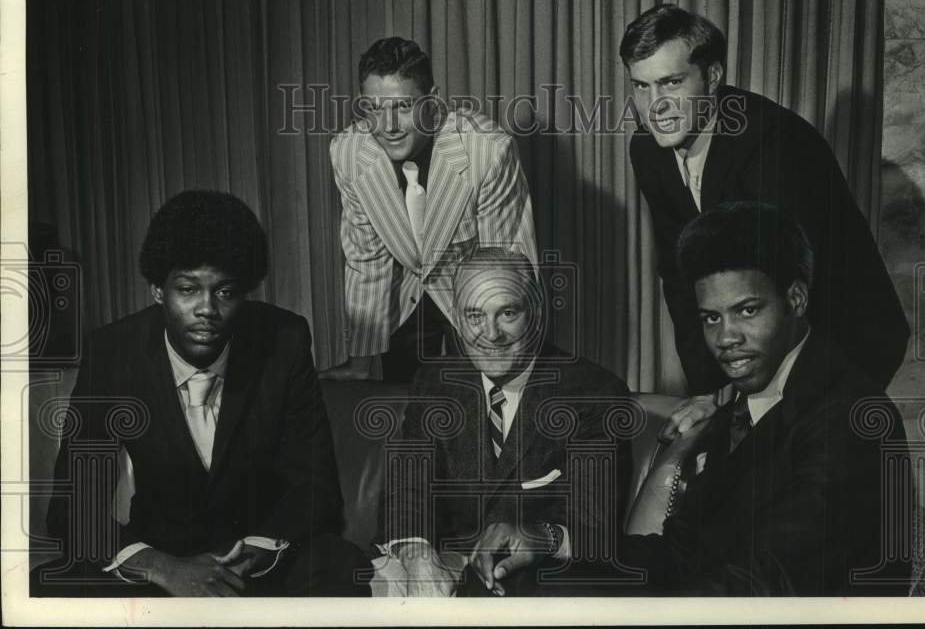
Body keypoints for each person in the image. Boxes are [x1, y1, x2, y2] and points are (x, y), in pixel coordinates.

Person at [34, 190, 369, 597]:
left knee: (341, 566)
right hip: (162, 558)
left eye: (224, 292)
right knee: (46, 586)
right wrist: (163, 568)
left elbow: (316, 488)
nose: (207, 308)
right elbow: (73, 509)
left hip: (259, 559)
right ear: (159, 290)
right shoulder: (114, 353)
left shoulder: (283, 339)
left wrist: (259, 549)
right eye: (188, 289)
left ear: (243, 292)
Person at [620, 3, 910, 435]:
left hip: (845, 337)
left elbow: (800, 288)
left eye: (671, 83)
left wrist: (765, 401)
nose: (654, 106)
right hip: (766, 340)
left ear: (713, 77)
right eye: (641, 87)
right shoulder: (648, 150)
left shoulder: (776, 144)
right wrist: (706, 389)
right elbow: (681, 276)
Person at [623, 201, 912, 596]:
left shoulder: (851, 415)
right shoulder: (744, 402)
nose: (726, 338)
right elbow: (679, 553)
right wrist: (557, 546)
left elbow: (767, 579)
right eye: (712, 318)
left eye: (746, 310)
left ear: (795, 299)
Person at [372, 248, 633, 597]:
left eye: (507, 312)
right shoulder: (435, 382)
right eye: (474, 316)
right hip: (441, 570)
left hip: (531, 583)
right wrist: (416, 553)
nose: (490, 335)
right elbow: (407, 489)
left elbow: (594, 526)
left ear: (536, 313)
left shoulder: (594, 392)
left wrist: (539, 535)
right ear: (455, 318)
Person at [329, 37, 537, 382]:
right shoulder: (349, 154)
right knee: (407, 408)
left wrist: (503, 359)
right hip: (405, 293)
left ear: (432, 100)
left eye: (403, 106)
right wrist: (360, 363)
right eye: (374, 108)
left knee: (482, 403)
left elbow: (505, 263)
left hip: (477, 293)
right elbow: (366, 260)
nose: (387, 125)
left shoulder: (487, 151)